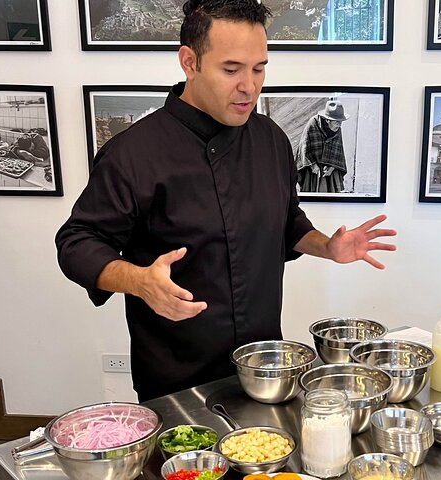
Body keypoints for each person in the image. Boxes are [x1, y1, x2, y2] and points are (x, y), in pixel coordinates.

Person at [55, 0, 396, 402]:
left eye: (259, 68)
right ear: (189, 62)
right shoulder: (133, 153)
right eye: (231, 69)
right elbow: (76, 242)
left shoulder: (271, 140)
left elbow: (285, 221)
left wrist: (328, 246)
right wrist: (139, 281)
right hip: (176, 377)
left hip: (266, 367)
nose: (248, 86)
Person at [295, 100, 349, 193]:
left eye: (341, 122)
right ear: (328, 120)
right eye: (337, 122)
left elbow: (338, 151)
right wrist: (312, 165)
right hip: (313, 167)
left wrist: (332, 167)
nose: (339, 125)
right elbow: (305, 146)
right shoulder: (313, 123)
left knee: (332, 194)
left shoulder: (337, 128)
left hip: (330, 168)